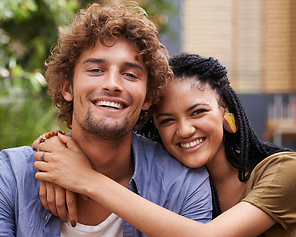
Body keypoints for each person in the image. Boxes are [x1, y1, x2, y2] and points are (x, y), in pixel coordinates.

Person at [0, 1, 213, 237]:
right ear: (67, 88)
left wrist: (86, 180)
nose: (113, 84)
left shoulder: (182, 183)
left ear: (148, 97)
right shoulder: (14, 174)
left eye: (129, 74)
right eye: (96, 70)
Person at [33, 53, 296, 237]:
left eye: (198, 112)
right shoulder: (181, 185)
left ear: (225, 110)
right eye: (167, 120)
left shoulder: (284, 171)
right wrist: (55, 148)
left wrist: (85, 179)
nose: (184, 130)